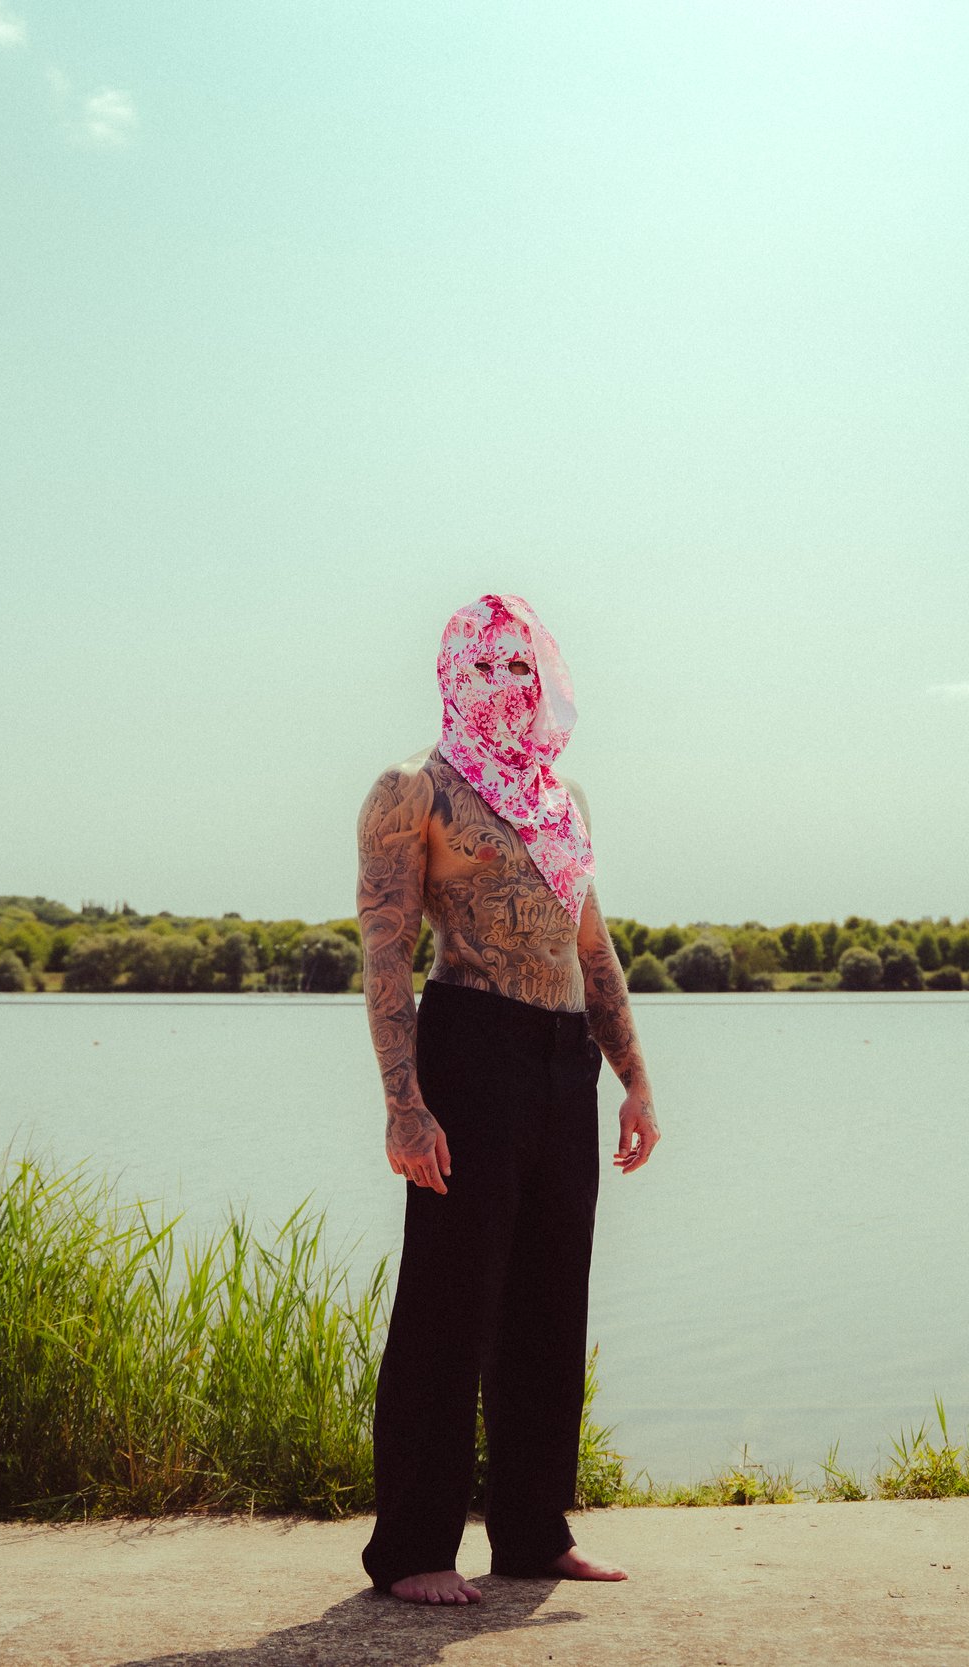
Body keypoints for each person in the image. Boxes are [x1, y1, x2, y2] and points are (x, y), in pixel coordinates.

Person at [353, 593, 662, 1605]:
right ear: (452, 673)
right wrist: (405, 1103)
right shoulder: (414, 789)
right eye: (485, 667)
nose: (507, 686)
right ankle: (410, 1547)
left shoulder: (559, 798)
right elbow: (388, 950)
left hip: (563, 1056)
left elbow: (590, 942)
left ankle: (533, 1531)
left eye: (522, 667)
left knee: (547, 1301)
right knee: (448, 1301)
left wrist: (634, 1077)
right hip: (470, 1043)